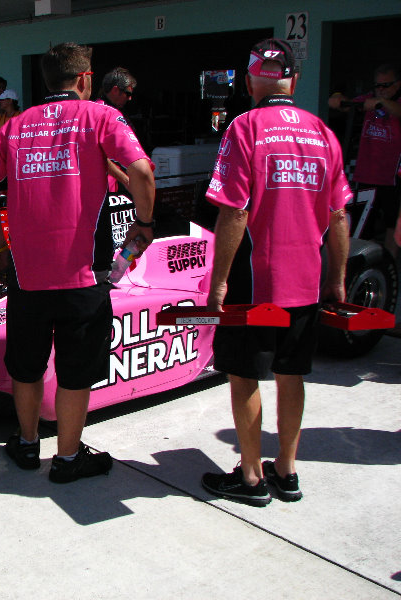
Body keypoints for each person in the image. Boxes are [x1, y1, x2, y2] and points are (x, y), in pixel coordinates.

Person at [0, 42, 155, 483]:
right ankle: (70, 458)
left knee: (26, 364)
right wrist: (145, 224)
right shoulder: (101, 116)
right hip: (83, 276)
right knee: (76, 372)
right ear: (83, 79)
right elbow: (143, 172)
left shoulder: (14, 125)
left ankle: (26, 443)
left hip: (27, 273)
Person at [201, 39, 351, 506]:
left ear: (249, 83)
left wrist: (218, 281)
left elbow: (235, 211)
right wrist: (336, 280)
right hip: (306, 280)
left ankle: (250, 477)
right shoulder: (323, 132)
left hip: (253, 283)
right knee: (292, 375)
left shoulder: (244, 127)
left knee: (244, 376)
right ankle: (286, 470)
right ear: (295, 81)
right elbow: (340, 215)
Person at [329, 64, 401, 258]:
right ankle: (365, 260)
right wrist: (338, 97)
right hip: (366, 173)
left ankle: (389, 262)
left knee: (391, 224)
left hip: (391, 177)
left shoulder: (392, 102)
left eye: (386, 85)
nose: (381, 90)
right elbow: (343, 103)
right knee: (363, 221)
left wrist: (381, 102)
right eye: (378, 86)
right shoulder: (370, 98)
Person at [98, 67, 137, 191]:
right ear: (115, 90)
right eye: (128, 93)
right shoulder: (99, 112)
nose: (130, 98)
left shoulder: (117, 111)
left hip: (122, 179)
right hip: (108, 184)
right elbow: (97, 154)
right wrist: (125, 179)